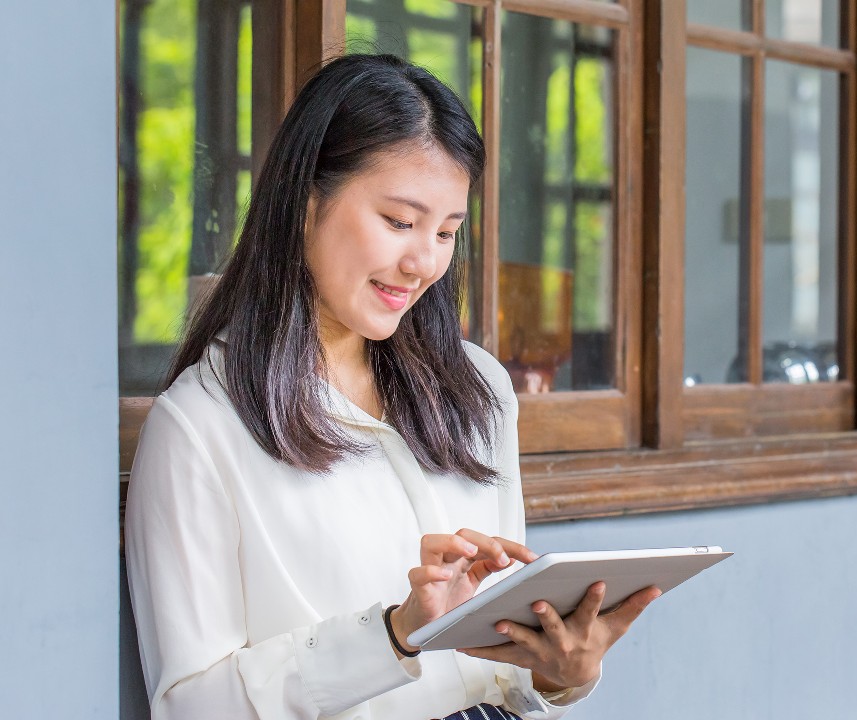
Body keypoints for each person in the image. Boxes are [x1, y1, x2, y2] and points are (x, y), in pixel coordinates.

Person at [124, 53, 659, 720]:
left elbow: (495, 675)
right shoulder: (201, 428)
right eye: (400, 222)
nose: (423, 261)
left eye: (445, 232)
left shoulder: (479, 391)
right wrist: (394, 634)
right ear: (304, 203)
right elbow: (190, 708)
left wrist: (558, 672)